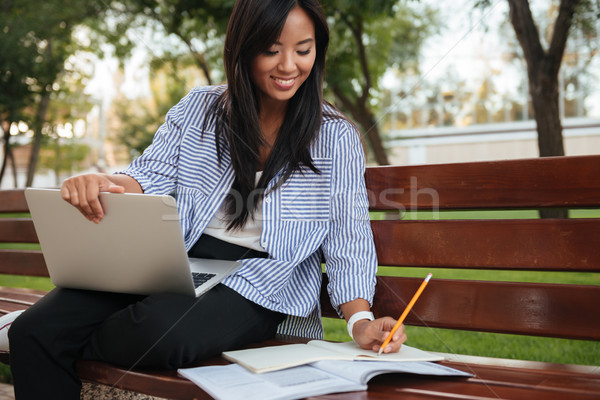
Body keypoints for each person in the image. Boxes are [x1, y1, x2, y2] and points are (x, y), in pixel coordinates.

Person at [6, 0, 407, 398]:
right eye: (271, 49)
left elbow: (347, 238)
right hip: (175, 261)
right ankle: (50, 330)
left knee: (151, 333)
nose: (289, 65)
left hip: (259, 281)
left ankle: (64, 334)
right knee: (31, 332)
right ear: (243, 48)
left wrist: (360, 322)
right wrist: (104, 183)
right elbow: (147, 176)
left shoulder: (335, 138)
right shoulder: (199, 109)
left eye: (303, 50)